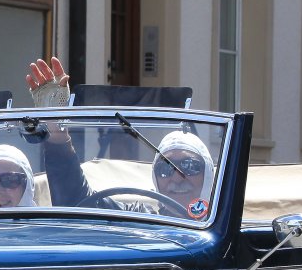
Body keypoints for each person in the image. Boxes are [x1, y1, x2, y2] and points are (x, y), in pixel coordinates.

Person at [26, 57, 213, 220]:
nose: (176, 177)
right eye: (165, 168)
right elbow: (77, 203)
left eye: (190, 166)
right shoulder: (144, 221)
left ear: (208, 175)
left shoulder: (226, 225)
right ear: (155, 179)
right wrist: (56, 131)